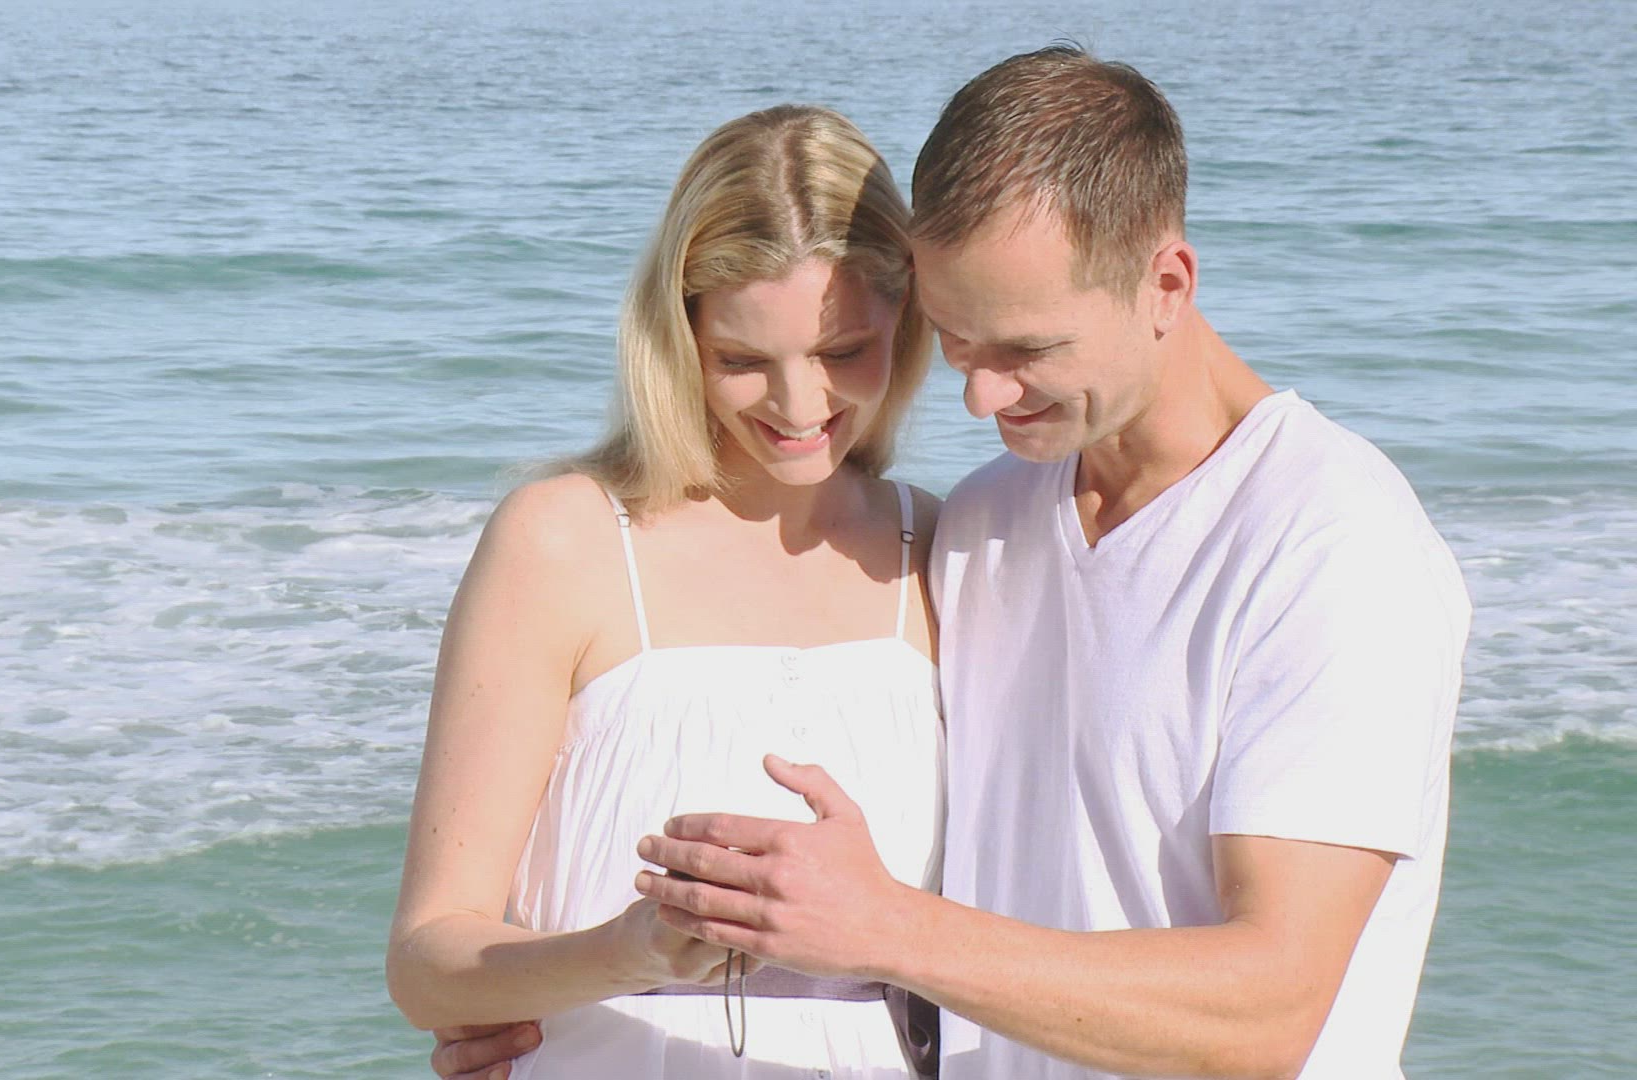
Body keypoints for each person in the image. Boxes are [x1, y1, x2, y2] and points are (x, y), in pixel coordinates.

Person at [437, 45, 1470, 1080]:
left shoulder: (1331, 543)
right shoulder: (983, 523)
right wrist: (546, 1003)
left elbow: (1270, 1015)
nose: (982, 398)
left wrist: (885, 928)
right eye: (957, 343)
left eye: (1027, 350)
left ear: (1167, 284)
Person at [386, 104, 946, 1079]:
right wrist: (632, 949)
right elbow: (427, 966)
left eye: (842, 351)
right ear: (679, 334)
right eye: (743, 361)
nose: (800, 405)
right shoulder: (562, 541)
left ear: (907, 316)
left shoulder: (943, 549)